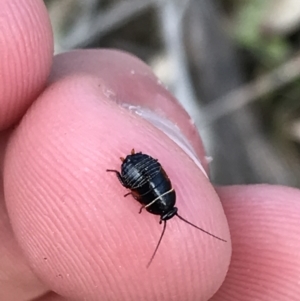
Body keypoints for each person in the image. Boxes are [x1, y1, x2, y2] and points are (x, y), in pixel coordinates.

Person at [1, 1, 299, 300]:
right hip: (137, 168)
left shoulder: (166, 201)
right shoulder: (159, 204)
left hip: (142, 165)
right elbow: (145, 189)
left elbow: (155, 180)